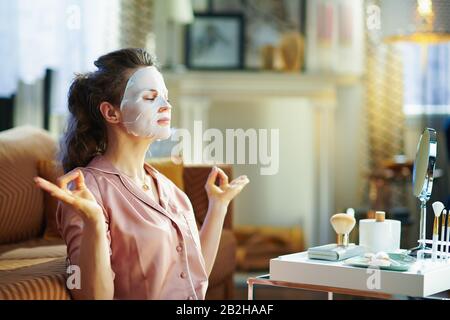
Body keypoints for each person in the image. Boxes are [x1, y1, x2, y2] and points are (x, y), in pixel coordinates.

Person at [34, 48, 249, 300]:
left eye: (166, 97)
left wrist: (218, 206)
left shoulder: (171, 191)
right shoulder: (87, 190)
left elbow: (194, 277)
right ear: (111, 112)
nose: (166, 106)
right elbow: (92, 296)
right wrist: (93, 221)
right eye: (150, 97)